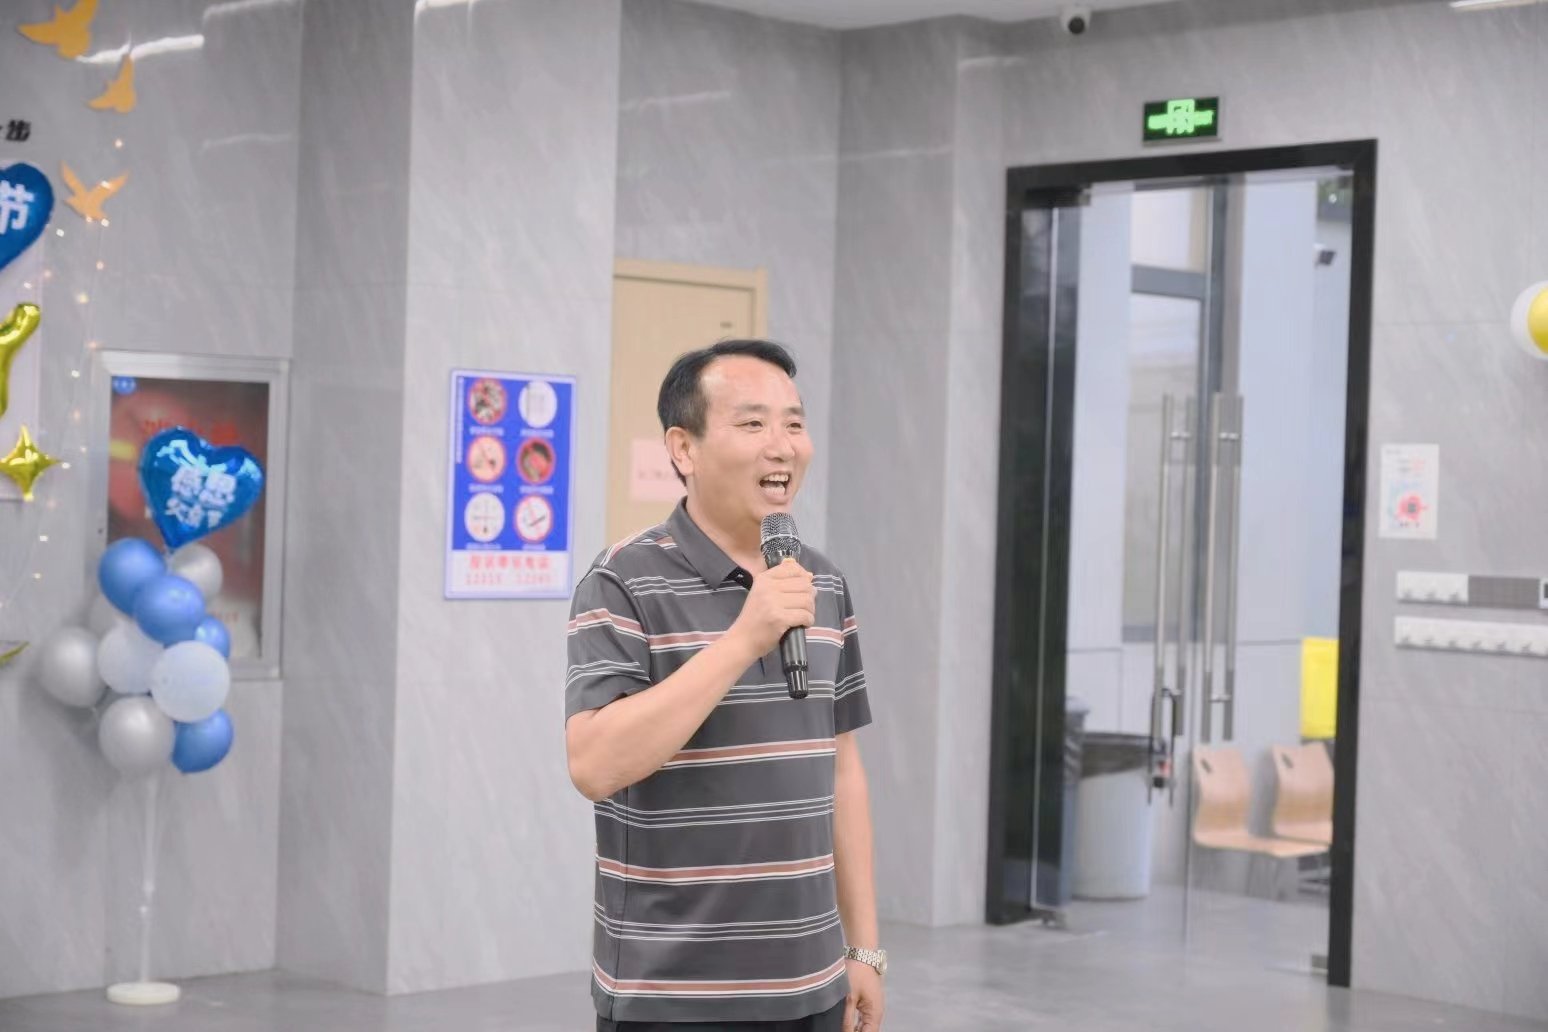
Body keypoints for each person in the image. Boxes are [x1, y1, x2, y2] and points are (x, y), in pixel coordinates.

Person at [565, 340, 886, 1032]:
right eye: (753, 424)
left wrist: (863, 948)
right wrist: (744, 638)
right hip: (671, 996)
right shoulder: (620, 580)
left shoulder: (822, 582)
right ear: (683, 449)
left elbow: (842, 768)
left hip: (812, 988)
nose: (782, 446)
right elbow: (593, 764)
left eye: (794, 423)